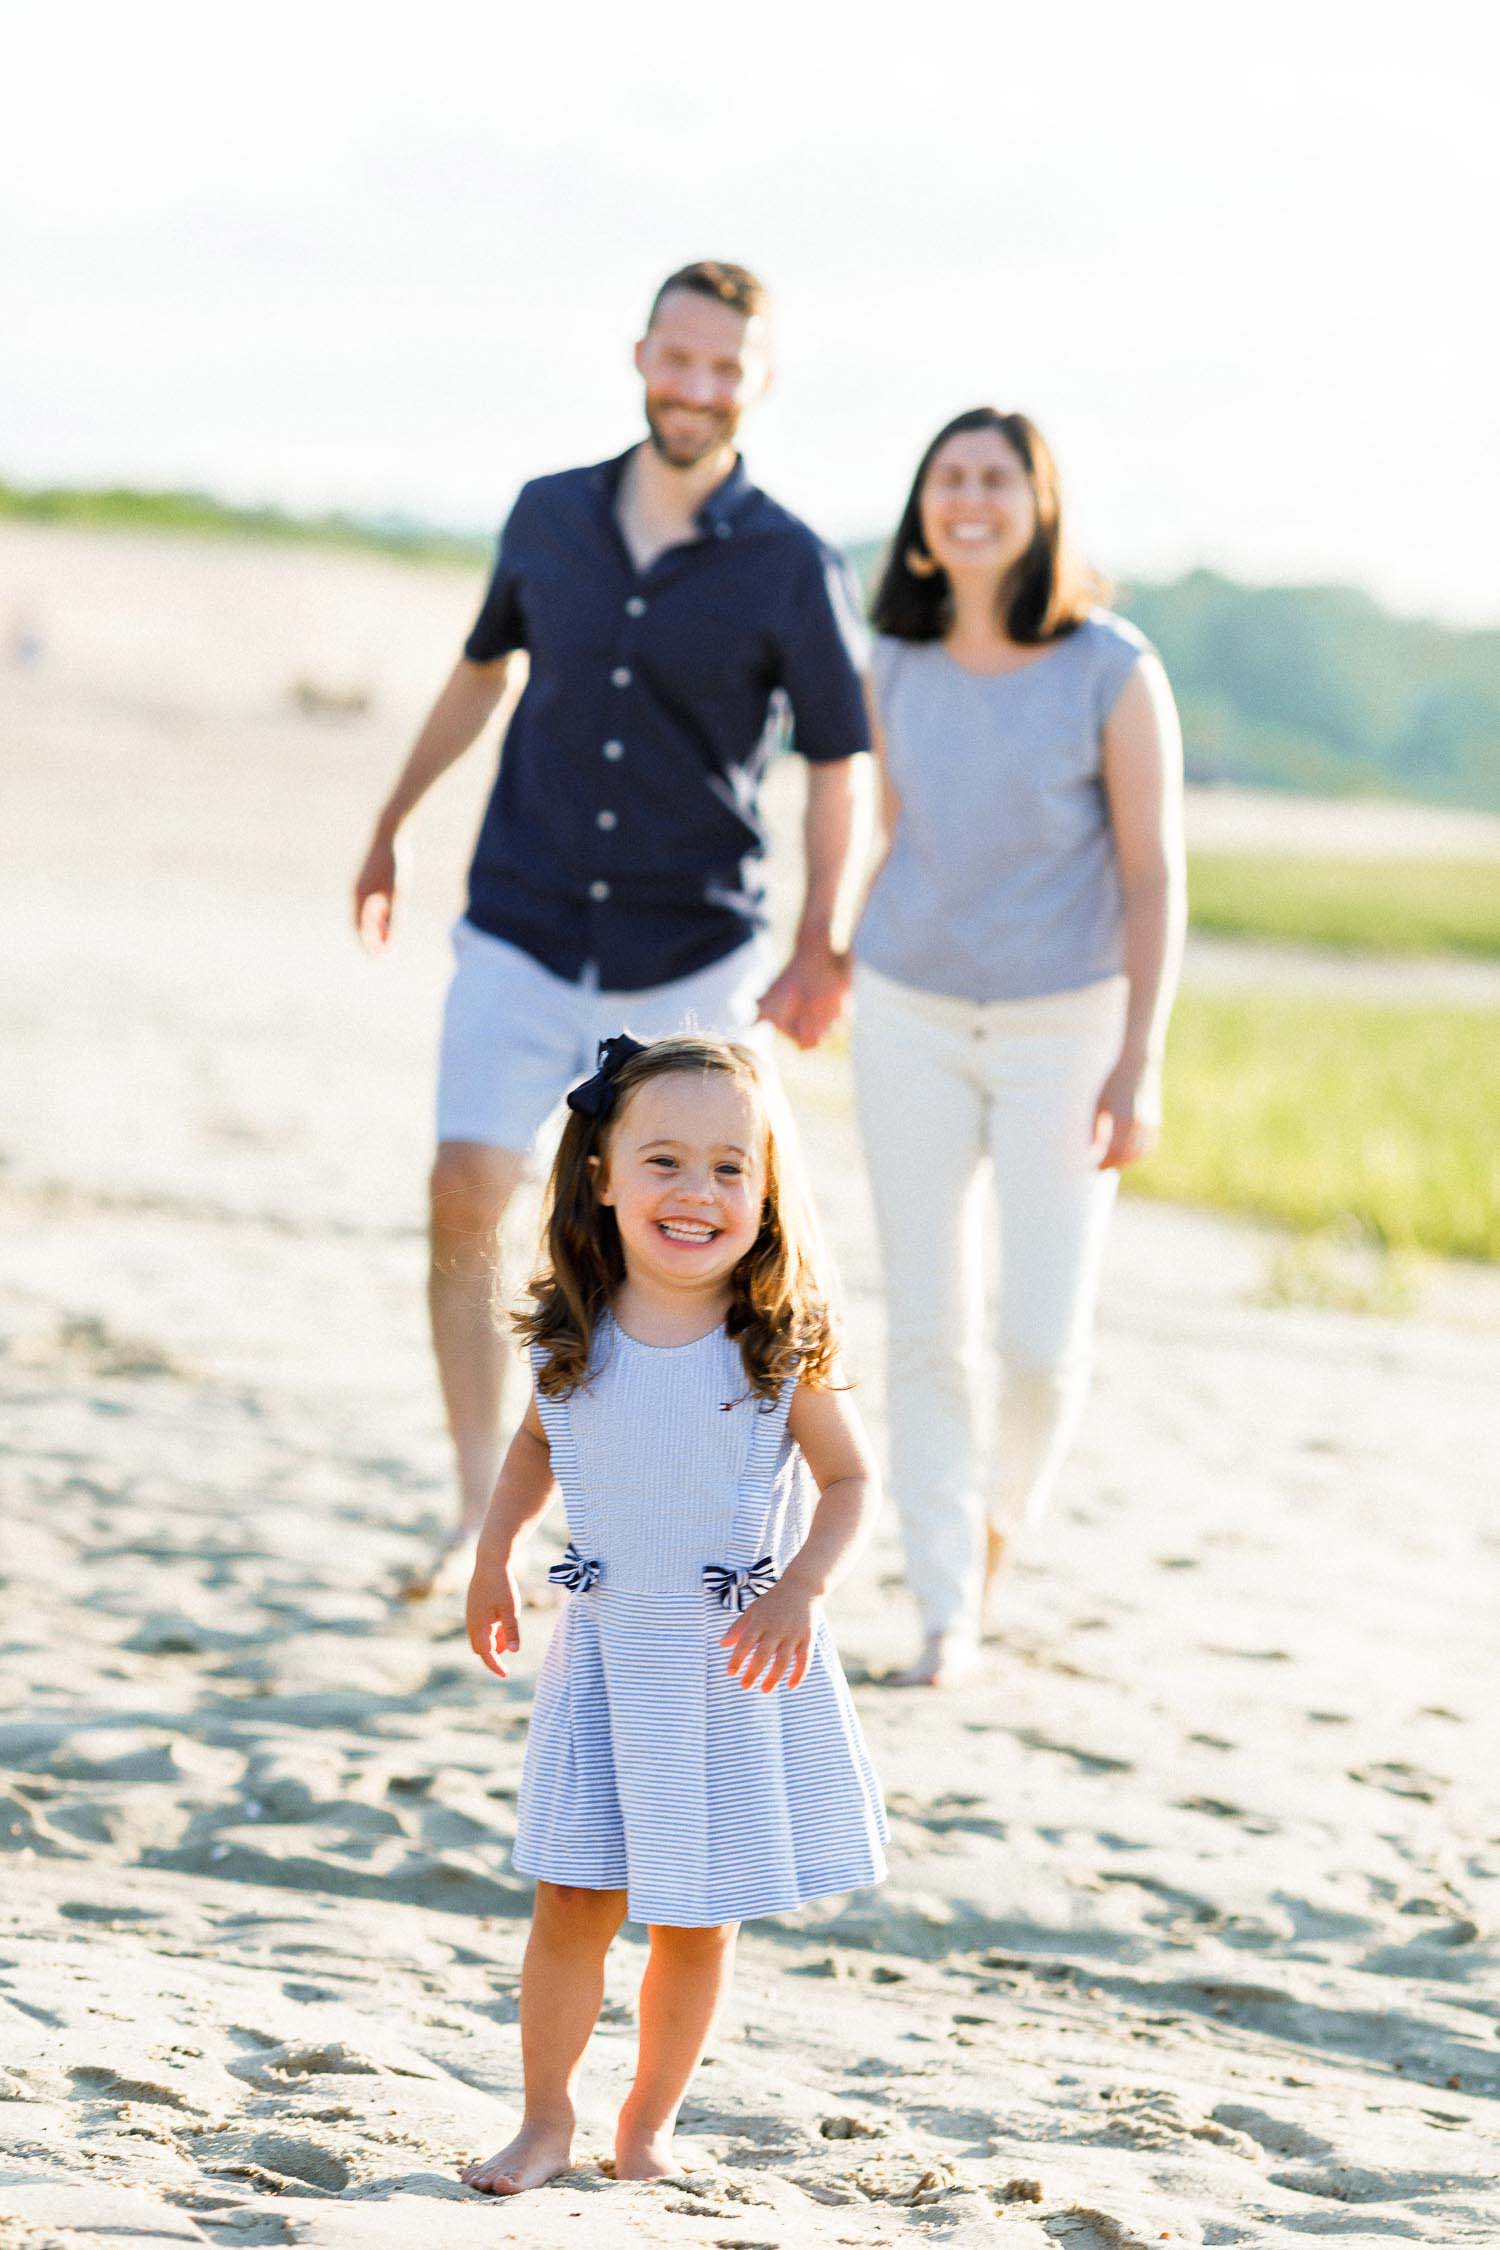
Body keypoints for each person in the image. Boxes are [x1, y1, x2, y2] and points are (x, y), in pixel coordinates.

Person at [351, 261, 871, 1593]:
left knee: (698, 1232)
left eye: (724, 369)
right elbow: (483, 673)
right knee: (465, 1189)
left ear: (757, 384)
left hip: (690, 953)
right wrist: (395, 816)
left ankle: (699, 1508)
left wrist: (823, 941)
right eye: (677, 359)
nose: (695, 388)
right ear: (642, 355)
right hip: (522, 920)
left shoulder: (790, 563)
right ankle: (481, 1497)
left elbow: (838, 761)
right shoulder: (547, 515)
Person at [461, 1033, 886, 2193]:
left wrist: (800, 1587)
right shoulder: (572, 1340)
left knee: (697, 1920)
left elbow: (852, 1485)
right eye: (663, 1162)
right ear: (601, 1174)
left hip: (724, 1670)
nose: (696, 1193)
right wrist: (494, 1550)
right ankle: (546, 2118)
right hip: (605, 1661)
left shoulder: (778, 1354)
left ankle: (646, 2123)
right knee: (571, 1902)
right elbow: (534, 1450)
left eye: (728, 1169)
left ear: (767, 1193)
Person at [851, 407, 1186, 1687]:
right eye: (948, 479)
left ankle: (1000, 1526)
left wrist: (1138, 1054)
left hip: (1069, 1024)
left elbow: (1155, 875)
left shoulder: (1111, 665)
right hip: (911, 1014)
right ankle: (945, 1607)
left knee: (1041, 1344)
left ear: (1040, 505)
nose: (970, 500)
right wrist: (828, 948)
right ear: (923, 512)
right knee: (928, 1324)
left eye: (996, 479)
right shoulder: (895, 660)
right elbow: (895, 834)